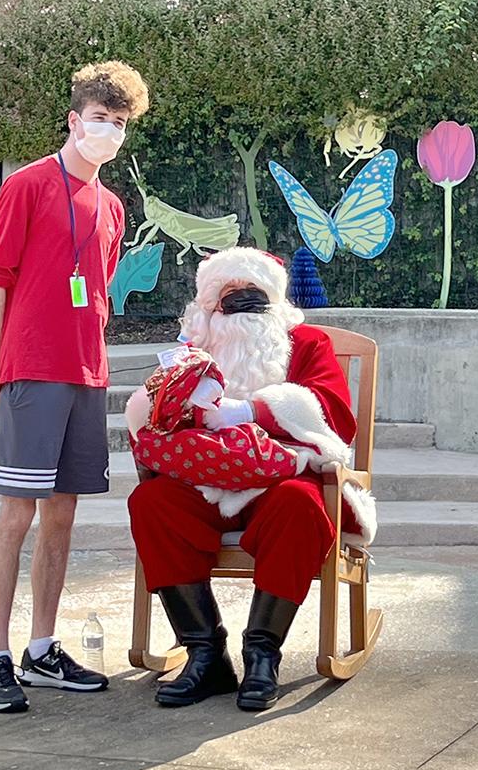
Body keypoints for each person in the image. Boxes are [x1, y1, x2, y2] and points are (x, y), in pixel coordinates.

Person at [126, 247, 376, 712]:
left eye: (252, 293)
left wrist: (254, 410)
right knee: (152, 501)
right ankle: (206, 654)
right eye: (227, 294)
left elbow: (334, 416)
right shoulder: (193, 348)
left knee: (301, 508)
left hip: (282, 476)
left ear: (274, 298)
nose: (240, 302)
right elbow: (158, 415)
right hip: (205, 480)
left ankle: (263, 652)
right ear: (207, 305)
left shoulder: (307, 344)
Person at [0, 60, 149, 713]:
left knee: (63, 515)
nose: (107, 130)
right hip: (32, 368)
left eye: (119, 122)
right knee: (18, 512)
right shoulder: (26, 185)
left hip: (86, 374)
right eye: (99, 118)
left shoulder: (111, 205)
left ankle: (40, 647)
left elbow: (94, 292)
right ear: (74, 120)